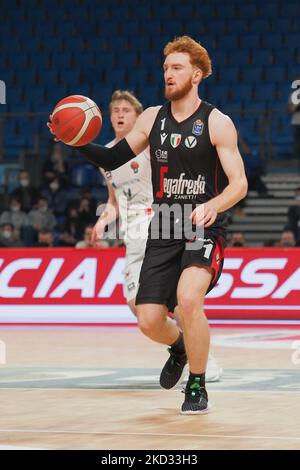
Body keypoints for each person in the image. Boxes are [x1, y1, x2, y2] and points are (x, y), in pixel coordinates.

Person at [49, 36, 248, 414]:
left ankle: (197, 384)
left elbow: (239, 184)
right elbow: (112, 157)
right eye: (165, 68)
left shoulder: (217, 122)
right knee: (148, 319)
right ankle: (179, 348)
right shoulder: (152, 117)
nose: (168, 74)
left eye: (177, 68)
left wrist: (213, 205)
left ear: (197, 74)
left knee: (189, 300)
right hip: (163, 225)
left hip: (200, 226)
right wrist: (71, 138)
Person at [93, 89, 222, 381]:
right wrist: (103, 220)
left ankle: (204, 359)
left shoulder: (150, 146)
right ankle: (181, 348)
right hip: (131, 236)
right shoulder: (108, 157)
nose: (120, 115)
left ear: (138, 116)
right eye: (115, 111)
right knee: (138, 308)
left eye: (126, 110)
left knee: (177, 303)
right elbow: (114, 202)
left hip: (159, 226)